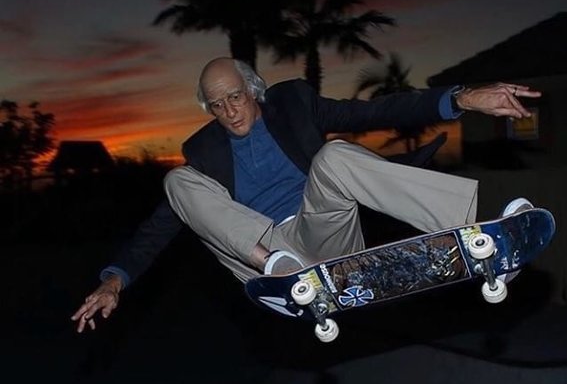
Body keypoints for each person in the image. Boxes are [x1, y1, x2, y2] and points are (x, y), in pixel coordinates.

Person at [71, 57, 541, 333]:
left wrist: (459, 99)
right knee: (176, 184)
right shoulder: (204, 150)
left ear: (254, 90)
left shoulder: (294, 103)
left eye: (235, 98)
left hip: (325, 231)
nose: (229, 112)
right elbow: (162, 223)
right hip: (263, 254)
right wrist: (116, 279)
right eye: (217, 105)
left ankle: (478, 243)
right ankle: (280, 271)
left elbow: (375, 110)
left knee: (334, 155)